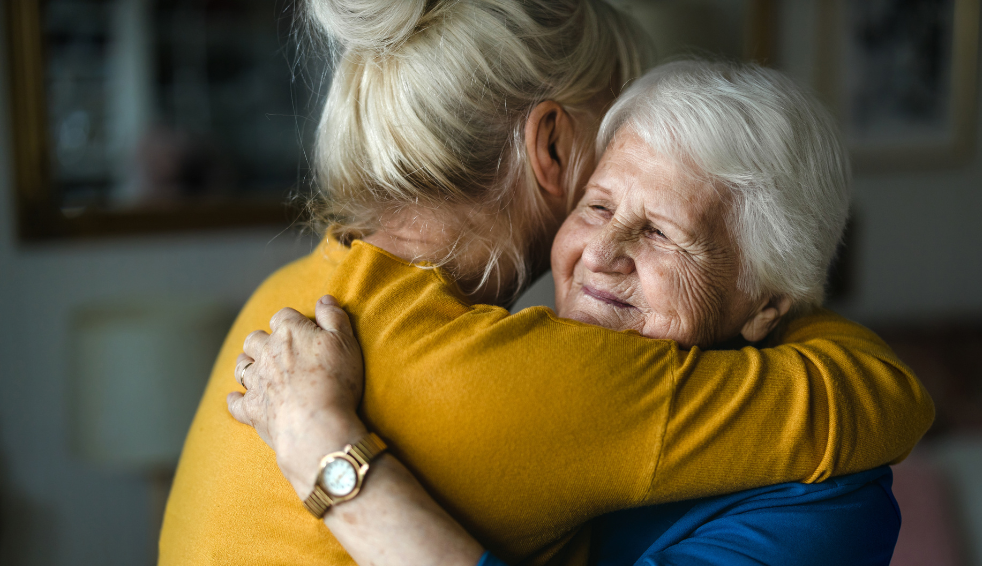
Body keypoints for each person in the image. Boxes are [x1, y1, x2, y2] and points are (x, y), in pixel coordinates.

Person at [159, 2, 933, 564]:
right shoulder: (532, 381)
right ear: (555, 147)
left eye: (663, 232)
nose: (602, 252)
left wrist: (329, 455)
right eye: (599, 198)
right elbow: (877, 395)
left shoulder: (287, 295)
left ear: (768, 302)